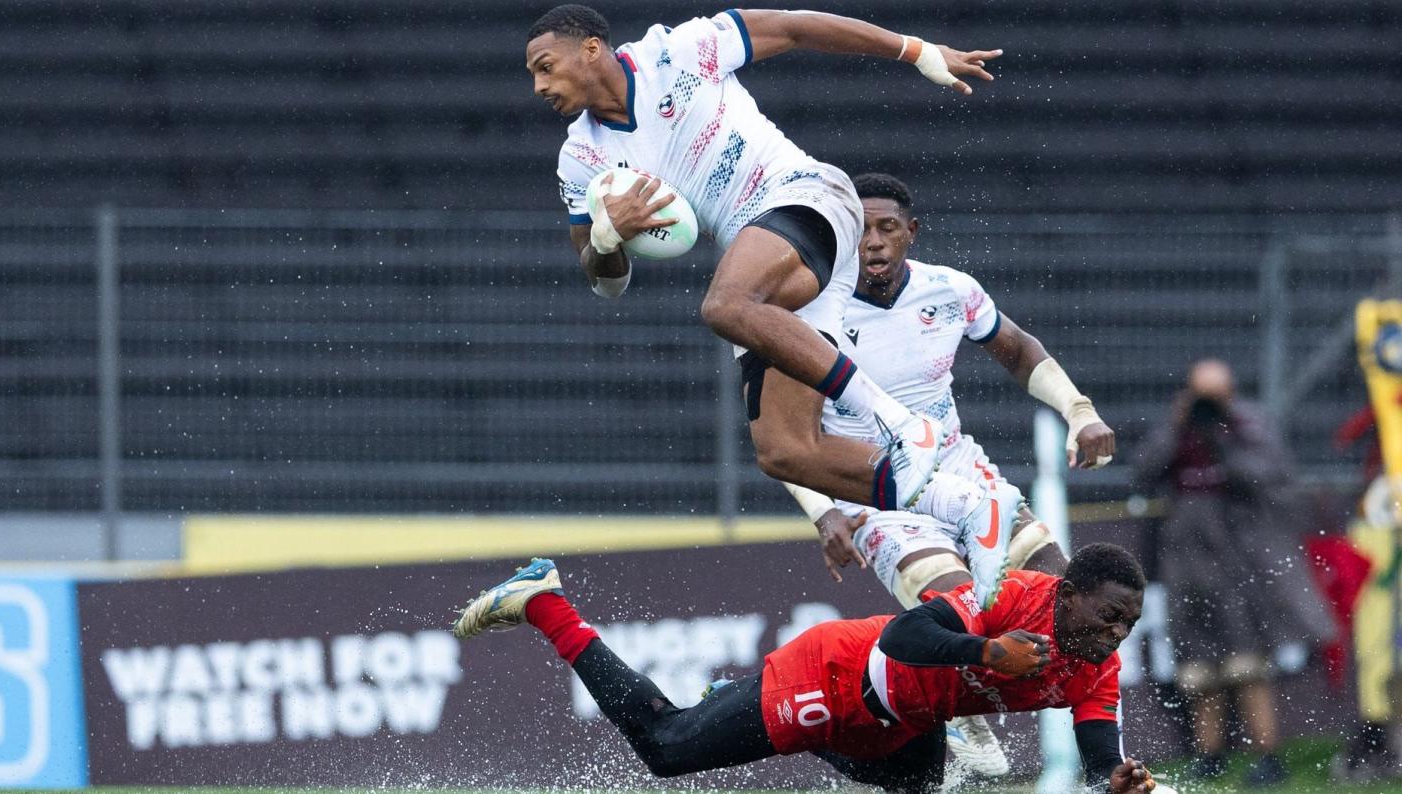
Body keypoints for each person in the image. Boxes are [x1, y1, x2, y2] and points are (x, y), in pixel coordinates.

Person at [529, 4, 1002, 514]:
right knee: (787, 452)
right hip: (772, 260)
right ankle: (967, 507)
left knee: (724, 306)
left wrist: (916, 50)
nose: (538, 86)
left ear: (592, 49)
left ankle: (901, 424)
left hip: (807, 196)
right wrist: (605, 238)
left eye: (546, 66)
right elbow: (606, 283)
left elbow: (794, 27)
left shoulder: (677, 52)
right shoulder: (581, 159)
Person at [762, 172, 1114, 777]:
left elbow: (1019, 348)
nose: (872, 242)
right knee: (951, 601)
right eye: (859, 229)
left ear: (911, 233)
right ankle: (959, 716)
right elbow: (783, 432)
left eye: (887, 228)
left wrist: (1079, 412)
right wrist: (823, 511)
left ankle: (1104, 755)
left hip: (959, 467)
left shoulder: (950, 291)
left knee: (1063, 589)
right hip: (870, 485)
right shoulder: (809, 311)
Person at [452, 543, 1159, 794]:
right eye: (1107, 617)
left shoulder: (1095, 667)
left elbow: (1101, 760)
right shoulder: (1012, 595)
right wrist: (985, 650)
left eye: (1127, 624)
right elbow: (908, 634)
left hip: (910, 720)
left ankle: (740, 697)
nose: (1115, 635)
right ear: (1066, 595)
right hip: (839, 676)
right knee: (667, 750)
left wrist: (1117, 782)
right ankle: (545, 602)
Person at [1133, 358, 1335, 786]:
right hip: (1185, 559)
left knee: (1248, 662)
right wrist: (1178, 426)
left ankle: (1267, 754)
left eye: (1216, 396)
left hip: (1237, 556)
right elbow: (1144, 472)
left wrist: (1226, 439)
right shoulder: (1178, 427)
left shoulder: (1248, 425)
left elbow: (1272, 475)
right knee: (1196, 663)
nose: (1208, 405)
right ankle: (1209, 754)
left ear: (1231, 393)